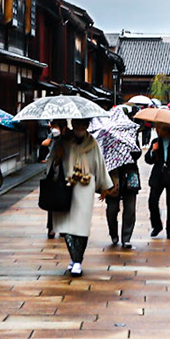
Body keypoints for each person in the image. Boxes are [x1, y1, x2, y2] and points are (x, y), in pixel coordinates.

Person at [46, 117, 110, 276]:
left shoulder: (92, 143)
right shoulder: (62, 142)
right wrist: (58, 157)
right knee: (65, 225)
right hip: (66, 186)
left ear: (87, 125)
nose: (80, 126)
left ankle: (77, 260)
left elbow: (99, 164)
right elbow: (50, 163)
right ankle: (74, 258)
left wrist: (105, 186)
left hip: (85, 187)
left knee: (81, 226)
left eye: (84, 124)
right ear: (72, 124)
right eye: (77, 123)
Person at [105, 146, 141, 250]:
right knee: (112, 209)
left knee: (130, 209)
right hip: (113, 176)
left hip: (130, 175)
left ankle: (126, 238)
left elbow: (137, 154)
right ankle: (113, 233)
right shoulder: (108, 139)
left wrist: (127, 151)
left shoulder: (130, 138)